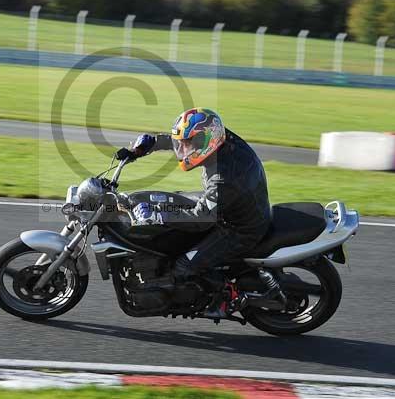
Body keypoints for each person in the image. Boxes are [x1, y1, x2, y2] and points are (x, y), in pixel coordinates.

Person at [116, 108, 277, 318]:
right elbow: (187, 139)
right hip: (229, 206)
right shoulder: (217, 136)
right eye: (181, 143)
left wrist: (158, 216)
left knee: (184, 265)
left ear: (206, 141)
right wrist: (152, 144)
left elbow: (201, 219)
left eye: (187, 144)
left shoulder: (224, 178)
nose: (183, 149)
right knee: (165, 201)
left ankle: (228, 296)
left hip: (239, 228)